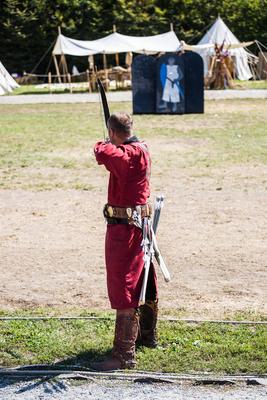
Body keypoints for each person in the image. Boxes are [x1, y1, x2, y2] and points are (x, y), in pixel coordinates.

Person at [92, 112, 158, 371]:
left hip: (125, 230)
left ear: (113, 132)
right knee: (143, 279)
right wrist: (111, 142)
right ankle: (147, 336)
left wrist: (104, 143)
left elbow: (102, 154)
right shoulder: (141, 147)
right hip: (138, 225)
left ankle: (124, 355)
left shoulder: (127, 155)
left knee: (124, 285)